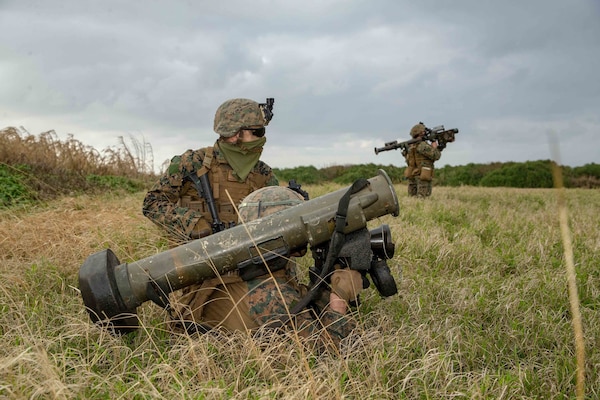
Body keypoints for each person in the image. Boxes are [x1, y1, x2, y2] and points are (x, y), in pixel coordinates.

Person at [169, 186, 366, 351]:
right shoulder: (269, 293)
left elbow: (307, 310)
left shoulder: (245, 268)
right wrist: (339, 296)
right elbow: (326, 352)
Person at [142, 98, 279, 244]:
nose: (262, 137)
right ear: (234, 135)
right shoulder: (193, 162)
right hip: (195, 257)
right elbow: (152, 203)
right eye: (258, 131)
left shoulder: (263, 173)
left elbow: (278, 217)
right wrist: (191, 222)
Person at [403, 122, 441, 197]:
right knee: (423, 199)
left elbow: (407, 160)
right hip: (423, 176)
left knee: (412, 199)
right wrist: (434, 146)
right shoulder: (422, 145)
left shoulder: (411, 146)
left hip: (413, 175)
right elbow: (436, 156)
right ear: (421, 133)